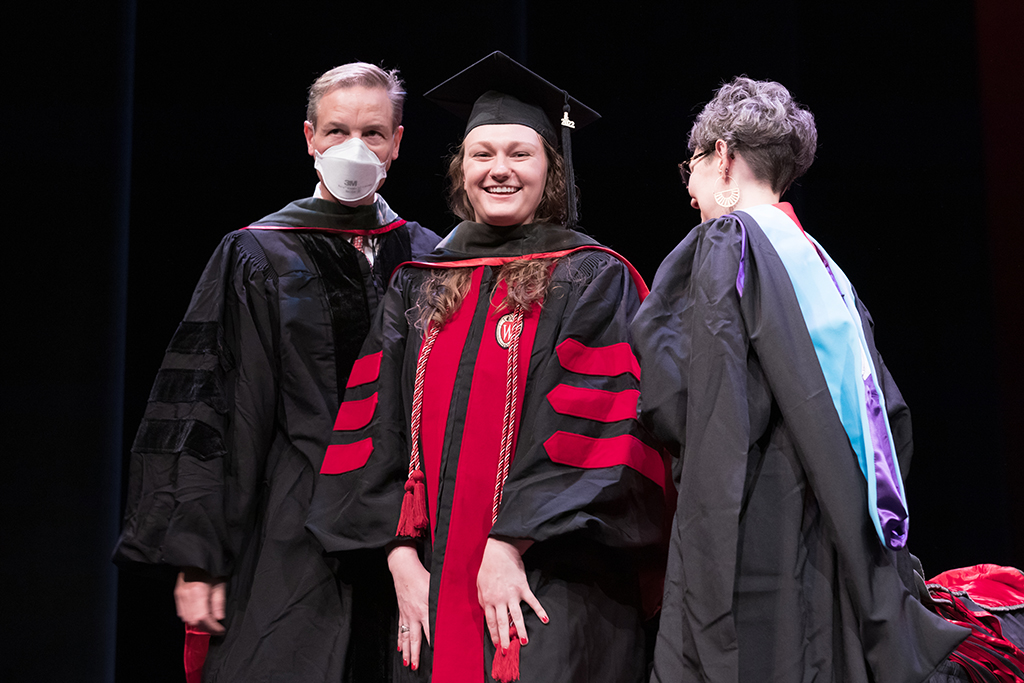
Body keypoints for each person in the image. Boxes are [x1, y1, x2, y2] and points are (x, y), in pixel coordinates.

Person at [307, 52, 667, 683]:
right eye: (482, 154)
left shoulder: (590, 277)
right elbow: (373, 428)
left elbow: (601, 432)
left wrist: (509, 543)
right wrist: (400, 558)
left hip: (552, 581)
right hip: (429, 584)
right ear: (460, 169)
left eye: (519, 154)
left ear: (551, 170)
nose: (499, 170)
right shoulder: (419, 283)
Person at [630, 76, 994, 682]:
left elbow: (694, 399)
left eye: (690, 166)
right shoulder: (824, 266)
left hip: (754, 519)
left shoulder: (727, 240)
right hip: (832, 532)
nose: (690, 191)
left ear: (722, 154)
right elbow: (889, 418)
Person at [113, 62, 439, 683]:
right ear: (310, 138)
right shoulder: (259, 252)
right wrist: (199, 558)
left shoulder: (428, 256)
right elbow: (215, 409)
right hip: (289, 529)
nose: (354, 147)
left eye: (373, 133)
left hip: (408, 538)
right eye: (337, 130)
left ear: (397, 144)